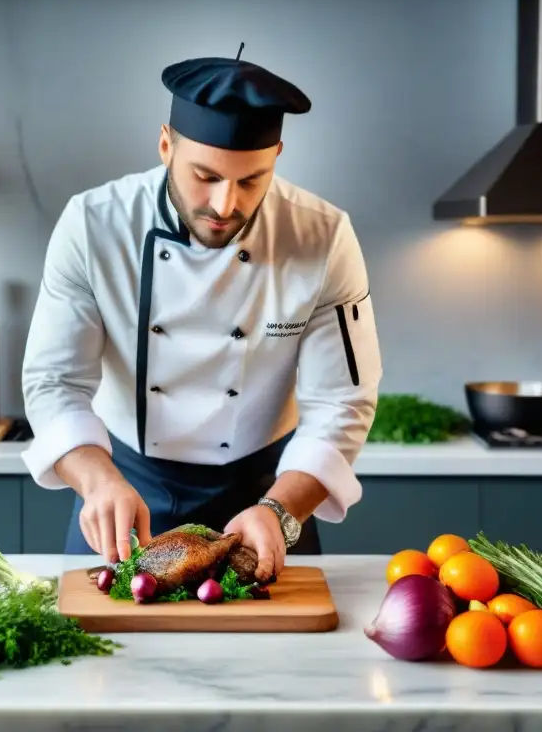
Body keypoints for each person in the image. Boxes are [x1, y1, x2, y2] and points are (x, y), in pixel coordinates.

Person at [20, 46, 382, 582]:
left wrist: (281, 512)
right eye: (205, 176)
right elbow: (54, 381)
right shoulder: (94, 226)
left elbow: (343, 402)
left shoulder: (322, 237)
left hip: (267, 494)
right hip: (125, 491)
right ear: (166, 144)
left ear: (277, 155)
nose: (224, 204)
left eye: (251, 180)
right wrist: (98, 481)